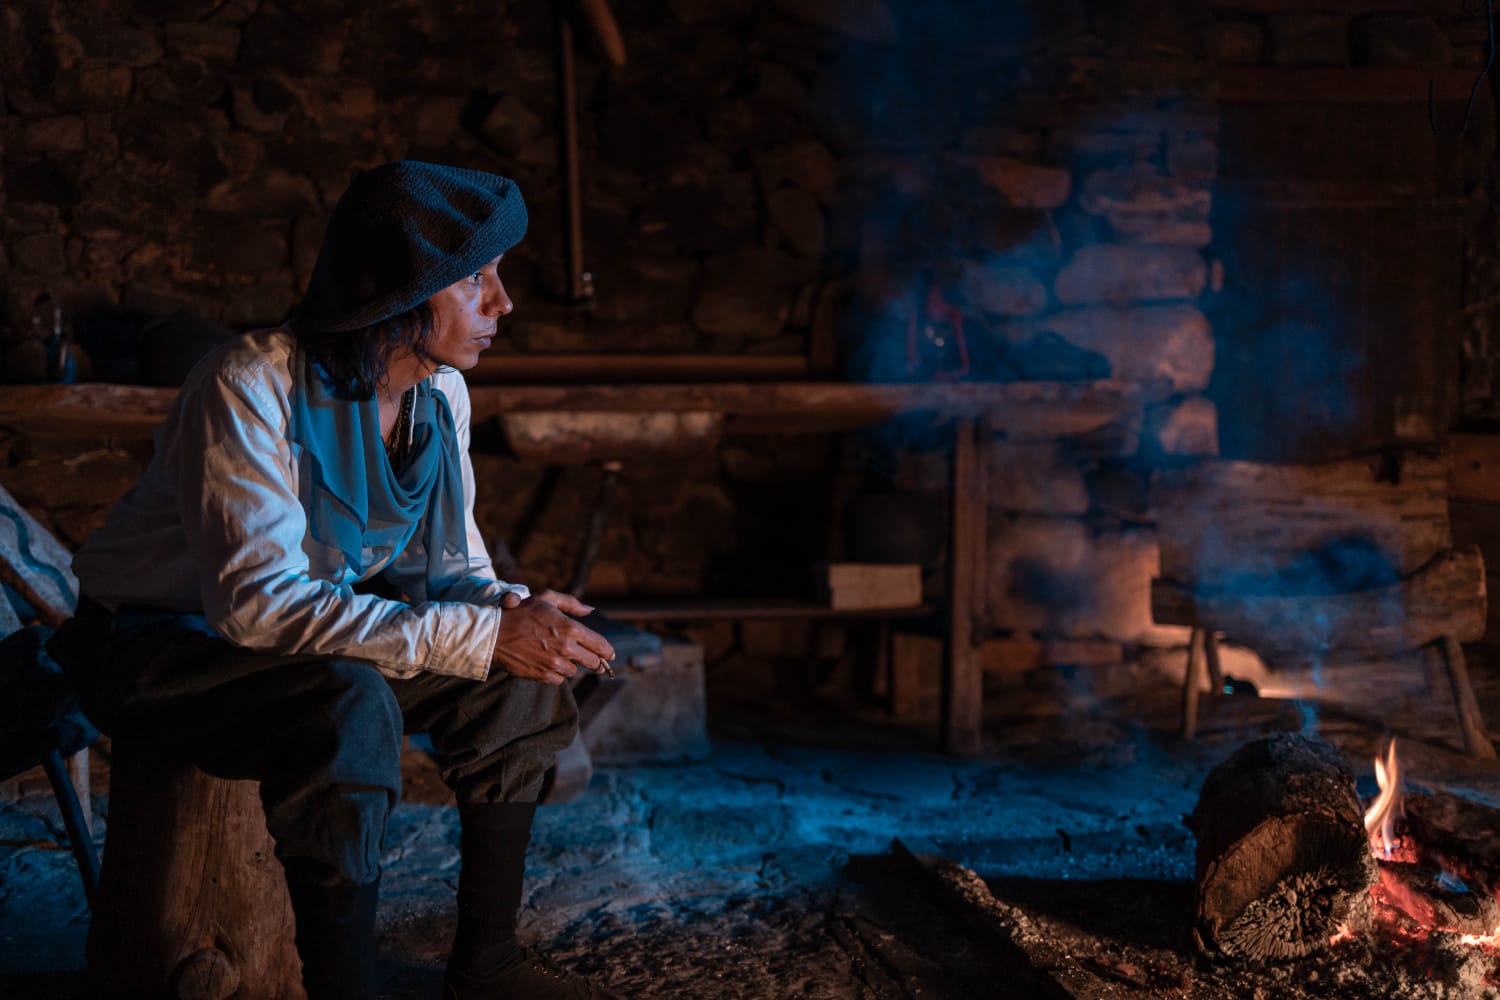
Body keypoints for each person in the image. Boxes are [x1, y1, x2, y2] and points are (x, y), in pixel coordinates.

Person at [51, 161, 623, 1000]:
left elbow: (453, 570)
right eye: (475, 281)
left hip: (293, 636)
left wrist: (509, 612)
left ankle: (488, 962)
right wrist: (478, 632)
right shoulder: (250, 385)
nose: (503, 304)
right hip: (155, 645)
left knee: (517, 686)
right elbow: (257, 605)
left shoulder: (440, 394)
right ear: (399, 290)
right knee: (348, 704)